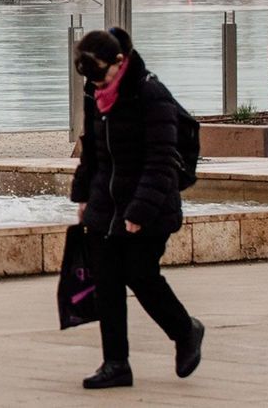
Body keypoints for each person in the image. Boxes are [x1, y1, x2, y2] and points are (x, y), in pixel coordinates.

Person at [69, 26, 205, 390]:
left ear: (119, 61)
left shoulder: (150, 93)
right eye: (90, 78)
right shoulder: (94, 93)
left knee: (140, 274)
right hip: (105, 204)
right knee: (107, 282)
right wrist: (83, 196)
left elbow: (162, 160)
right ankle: (116, 364)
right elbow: (92, 151)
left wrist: (138, 213)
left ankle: (185, 330)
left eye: (101, 75)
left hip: (150, 206)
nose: (97, 84)